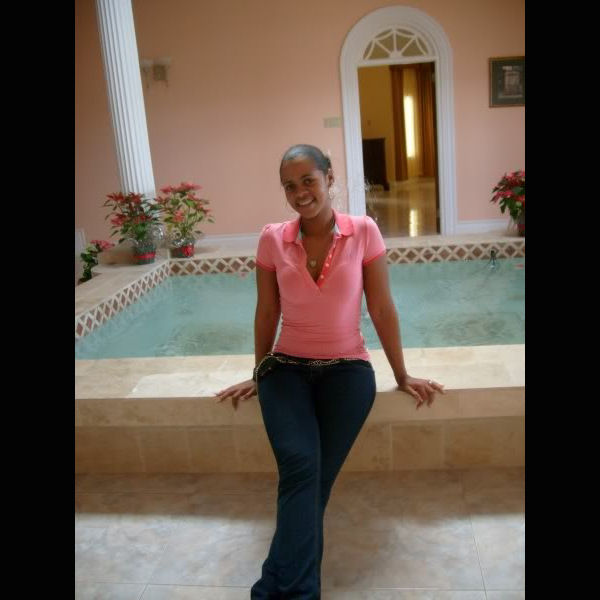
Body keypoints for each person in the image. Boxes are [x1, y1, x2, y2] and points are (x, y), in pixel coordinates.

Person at [215, 144, 444, 599]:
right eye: (290, 186)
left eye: (308, 181)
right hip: (286, 371)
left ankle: (273, 586)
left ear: (329, 178)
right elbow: (266, 312)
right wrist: (259, 372)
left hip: (348, 372)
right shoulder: (272, 238)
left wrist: (401, 374)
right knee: (302, 468)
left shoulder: (364, 231)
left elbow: (381, 307)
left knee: (310, 481)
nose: (300, 192)